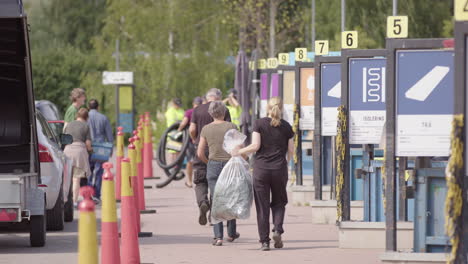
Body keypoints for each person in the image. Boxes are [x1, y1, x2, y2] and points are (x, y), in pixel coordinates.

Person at [233, 97, 294, 251]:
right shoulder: (287, 127)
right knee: (279, 202)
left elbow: (255, 146)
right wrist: (285, 162)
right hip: (279, 169)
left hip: (261, 170)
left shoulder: (259, 123)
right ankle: (278, 230)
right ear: (281, 109)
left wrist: (239, 151)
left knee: (262, 206)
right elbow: (291, 150)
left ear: (267, 108)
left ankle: (265, 242)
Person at [197, 101, 239, 246]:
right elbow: (239, 148)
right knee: (231, 198)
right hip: (229, 165)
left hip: (213, 165)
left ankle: (218, 237)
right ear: (224, 112)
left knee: (216, 200)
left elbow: (200, 152)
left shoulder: (206, 129)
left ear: (210, 114)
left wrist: (208, 162)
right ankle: (232, 233)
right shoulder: (232, 126)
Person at [189, 88, 231, 226]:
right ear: (218, 98)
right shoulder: (224, 110)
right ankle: (213, 215)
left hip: (201, 149)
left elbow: (192, 130)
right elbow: (229, 132)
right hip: (219, 152)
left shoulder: (197, 110)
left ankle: (202, 202)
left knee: (200, 181)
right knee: (217, 183)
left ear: (207, 98)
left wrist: (195, 141)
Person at [63, 108, 93, 206]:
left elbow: (64, 140)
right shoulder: (86, 126)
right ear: (86, 117)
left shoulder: (69, 124)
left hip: (67, 150)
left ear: (77, 116)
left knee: (66, 178)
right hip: (79, 153)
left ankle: (64, 199)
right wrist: (90, 150)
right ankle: (74, 201)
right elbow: (88, 144)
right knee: (76, 179)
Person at [87, 99, 114, 203]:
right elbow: (109, 136)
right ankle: (97, 195)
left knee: (88, 171)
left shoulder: (85, 117)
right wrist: (110, 148)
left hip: (88, 146)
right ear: (98, 107)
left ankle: (88, 194)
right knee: (99, 172)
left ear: (89, 107)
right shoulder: (104, 118)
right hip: (101, 147)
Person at [178, 96, 203, 188]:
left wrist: (179, 130)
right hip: (202, 139)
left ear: (193, 104)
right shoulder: (204, 112)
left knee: (190, 161)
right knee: (203, 160)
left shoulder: (189, 112)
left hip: (191, 140)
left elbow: (184, 123)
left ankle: (189, 181)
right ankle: (202, 180)